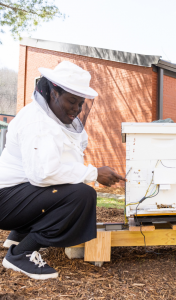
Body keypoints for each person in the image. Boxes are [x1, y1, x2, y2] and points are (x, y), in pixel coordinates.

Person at [0, 61, 126, 280]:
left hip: (15, 196)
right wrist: (94, 174)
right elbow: (44, 174)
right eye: (71, 101)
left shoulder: (56, 120)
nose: (76, 109)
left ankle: (19, 234)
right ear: (53, 93)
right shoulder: (36, 122)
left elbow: (69, 158)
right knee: (81, 195)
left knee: (72, 188)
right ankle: (20, 254)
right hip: (5, 200)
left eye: (80, 103)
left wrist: (91, 172)